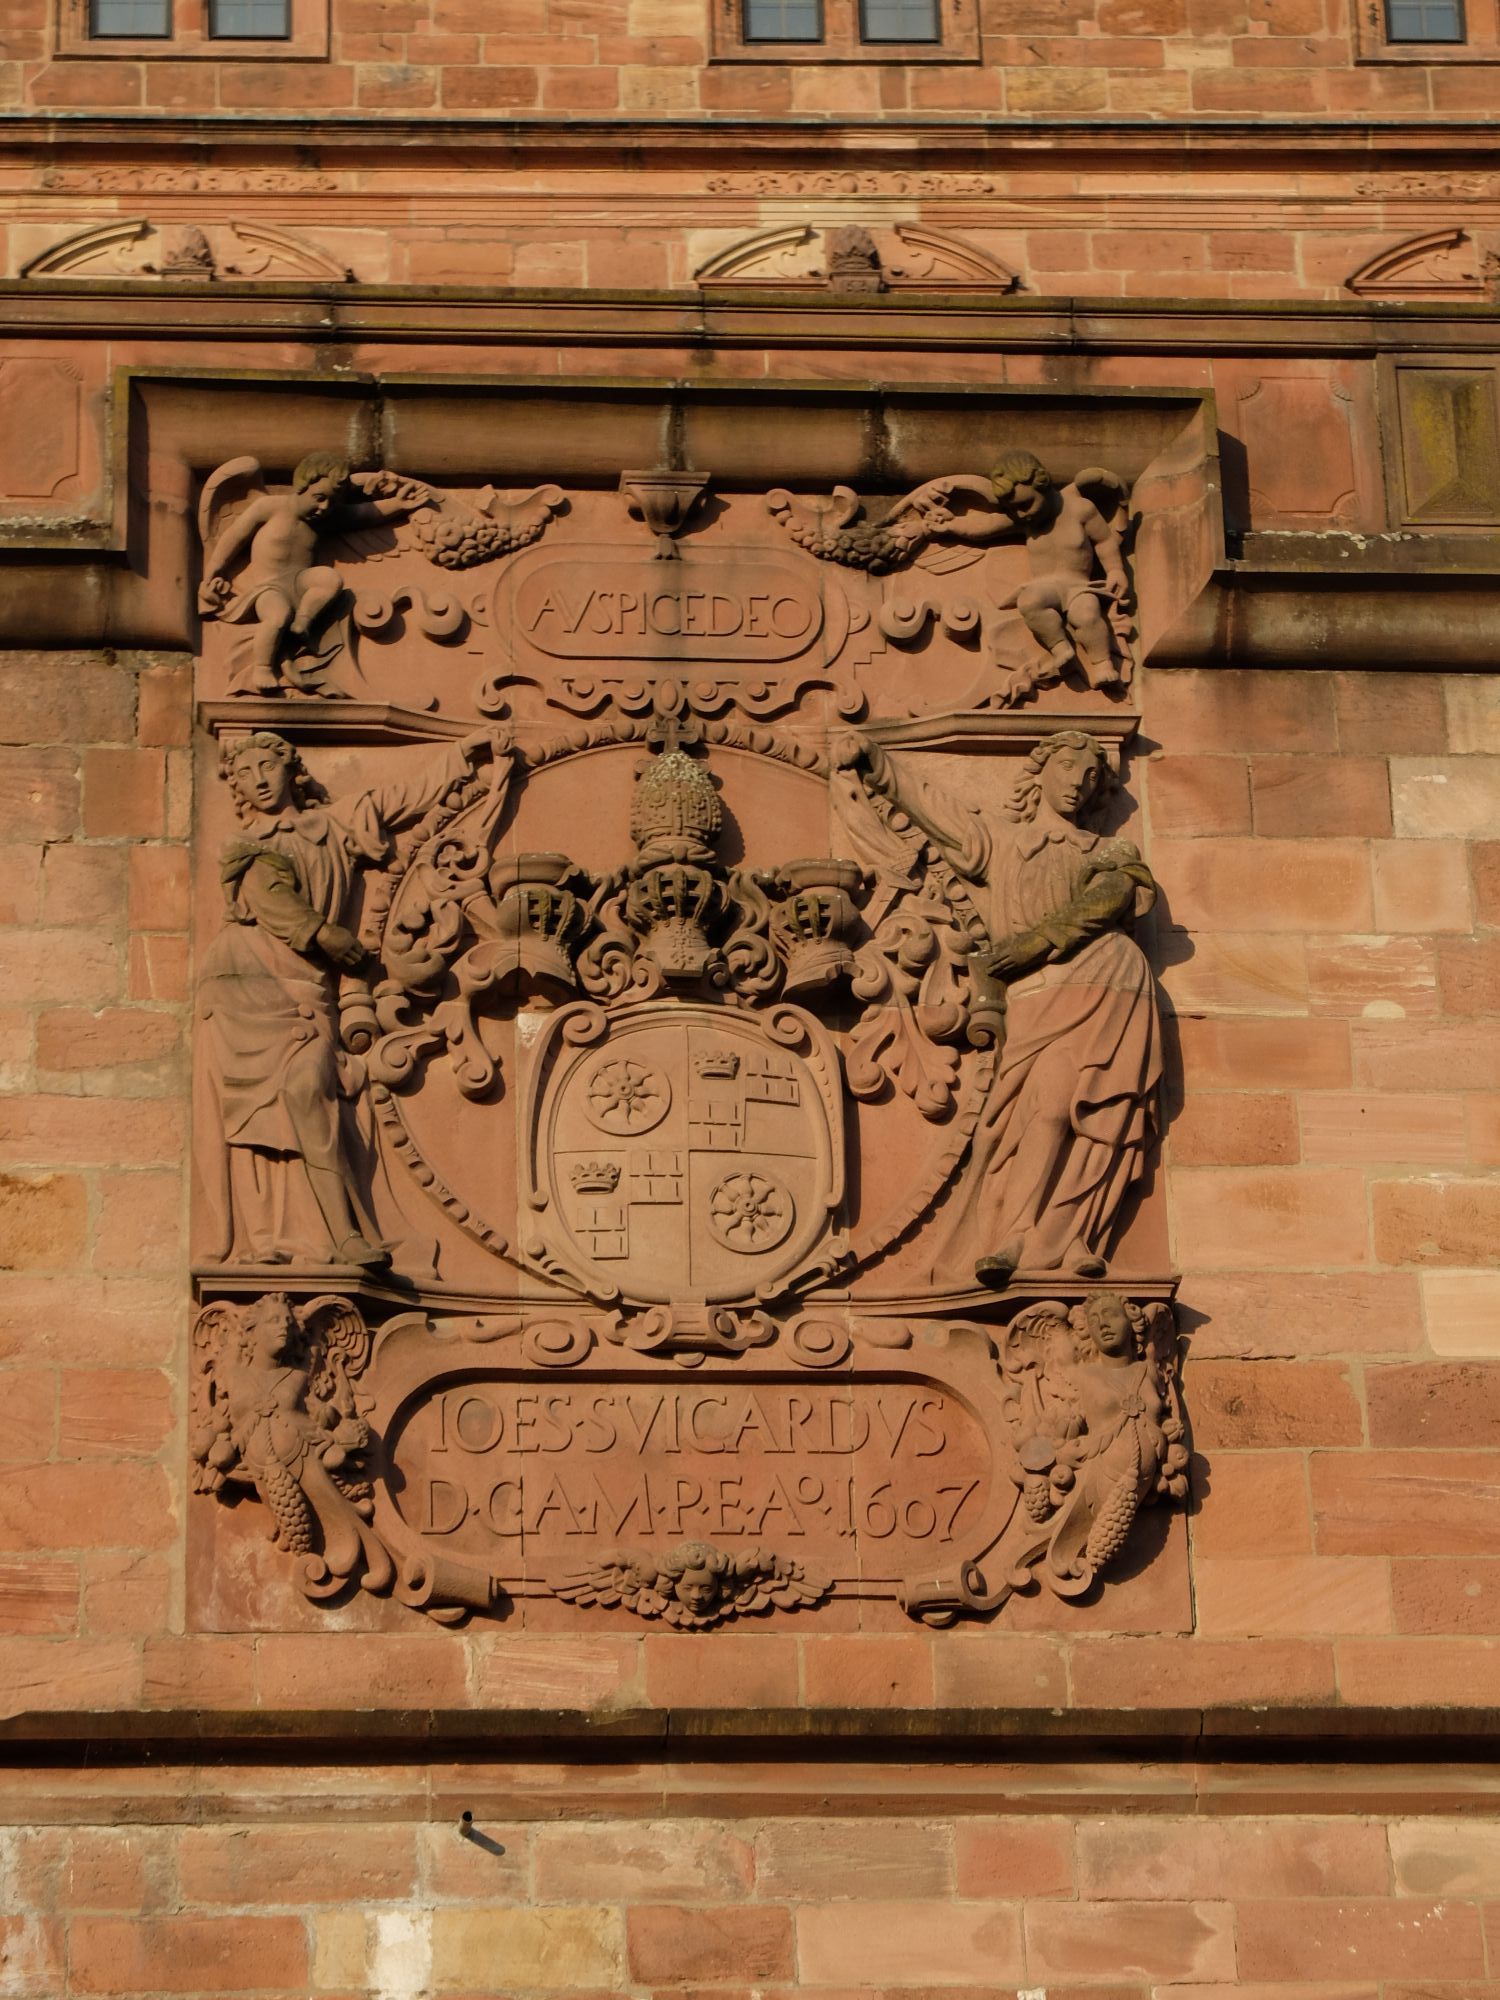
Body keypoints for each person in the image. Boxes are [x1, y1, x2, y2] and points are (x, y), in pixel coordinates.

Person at [841, 728, 1161, 1286]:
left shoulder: (1108, 850)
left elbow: (1110, 900)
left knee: (1099, 1113)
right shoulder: (1001, 843)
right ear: (1039, 770)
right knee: (1044, 1108)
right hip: (1041, 995)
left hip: (1110, 981)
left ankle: (1067, 1238)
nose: (1079, 784)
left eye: (1091, 777)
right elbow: (937, 811)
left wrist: (1028, 946)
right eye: (1069, 767)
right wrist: (878, 764)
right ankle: (1016, 1233)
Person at [197, 728, 498, 1268]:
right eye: (244, 774)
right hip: (247, 985)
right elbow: (274, 904)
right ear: (236, 788)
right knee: (276, 1105)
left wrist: (460, 756)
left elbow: (402, 797)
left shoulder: (334, 824)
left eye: (268, 766)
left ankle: (335, 1234)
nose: (258, 780)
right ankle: (299, 1237)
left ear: (292, 770)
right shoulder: (243, 849)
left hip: (307, 987)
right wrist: (328, 937)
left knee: (309, 1088)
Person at [198, 452, 430, 695]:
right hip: (269, 587)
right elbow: (234, 537)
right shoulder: (269, 507)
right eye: (319, 498)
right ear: (302, 486)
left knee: (330, 579)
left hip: (299, 582)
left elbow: (364, 514)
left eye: (331, 502)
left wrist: (398, 504)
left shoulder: (325, 520)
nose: (324, 508)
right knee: (277, 617)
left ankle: (303, 622)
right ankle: (263, 667)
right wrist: (214, 571)